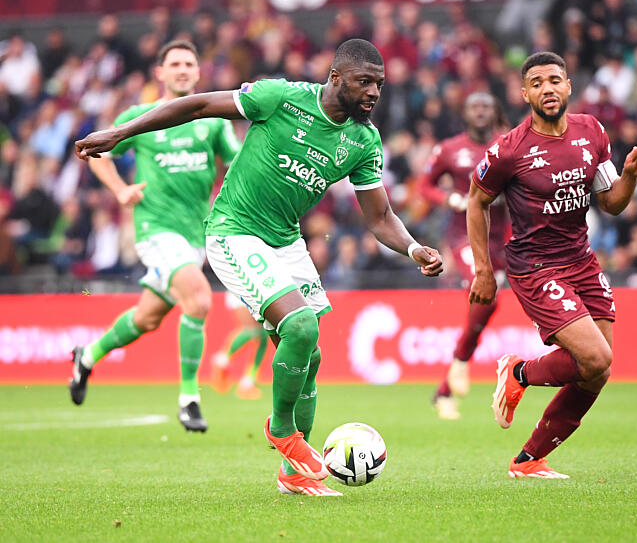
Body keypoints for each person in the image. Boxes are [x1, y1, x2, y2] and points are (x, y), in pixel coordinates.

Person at [74, 38, 443, 497]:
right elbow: (198, 106)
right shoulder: (281, 97)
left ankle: (293, 475)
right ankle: (282, 432)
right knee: (302, 327)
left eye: (379, 85)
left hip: (285, 241)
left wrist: (413, 249)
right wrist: (121, 134)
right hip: (233, 231)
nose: (373, 93)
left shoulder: (364, 141)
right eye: (363, 82)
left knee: (310, 357)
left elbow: (380, 217)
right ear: (336, 79)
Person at [467, 52, 637, 479]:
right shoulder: (508, 150)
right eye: (537, 83)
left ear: (568, 85)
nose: (547, 89)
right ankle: (518, 371)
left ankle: (528, 460)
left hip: (581, 260)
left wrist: (630, 176)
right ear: (524, 93)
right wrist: (483, 269)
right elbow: (476, 202)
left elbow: (611, 204)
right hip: (535, 267)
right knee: (593, 358)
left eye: (554, 80)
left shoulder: (592, 131)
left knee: (597, 372)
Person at [69, 40, 241, 433]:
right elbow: (95, 151)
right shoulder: (141, 117)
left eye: (189, 64)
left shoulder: (212, 121)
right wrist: (118, 190)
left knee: (147, 318)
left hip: (195, 236)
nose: (182, 69)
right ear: (160, 73)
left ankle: (87, 355)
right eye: (174, 64)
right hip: (155, 231)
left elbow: (236, 161)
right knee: (198, 299)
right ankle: (189, 399)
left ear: (199, 73)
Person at [420, 91, 509, 420]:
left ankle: (444, 389)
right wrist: (451, 199)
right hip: (465, 237)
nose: (481, 111)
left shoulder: (508, 145)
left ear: (494, 111)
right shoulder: (450, 149)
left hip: (504, 238)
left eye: (487, 105)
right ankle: (458, 366)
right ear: (465, 113)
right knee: (487, 295)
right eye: (475, 106)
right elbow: (424, 185)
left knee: (483, 311)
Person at [210, 291, 271, 399]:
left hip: (260, 290)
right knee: (253, 331)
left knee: (263, 335)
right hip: (242, 288)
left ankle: (248, 381)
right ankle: (223, 359)